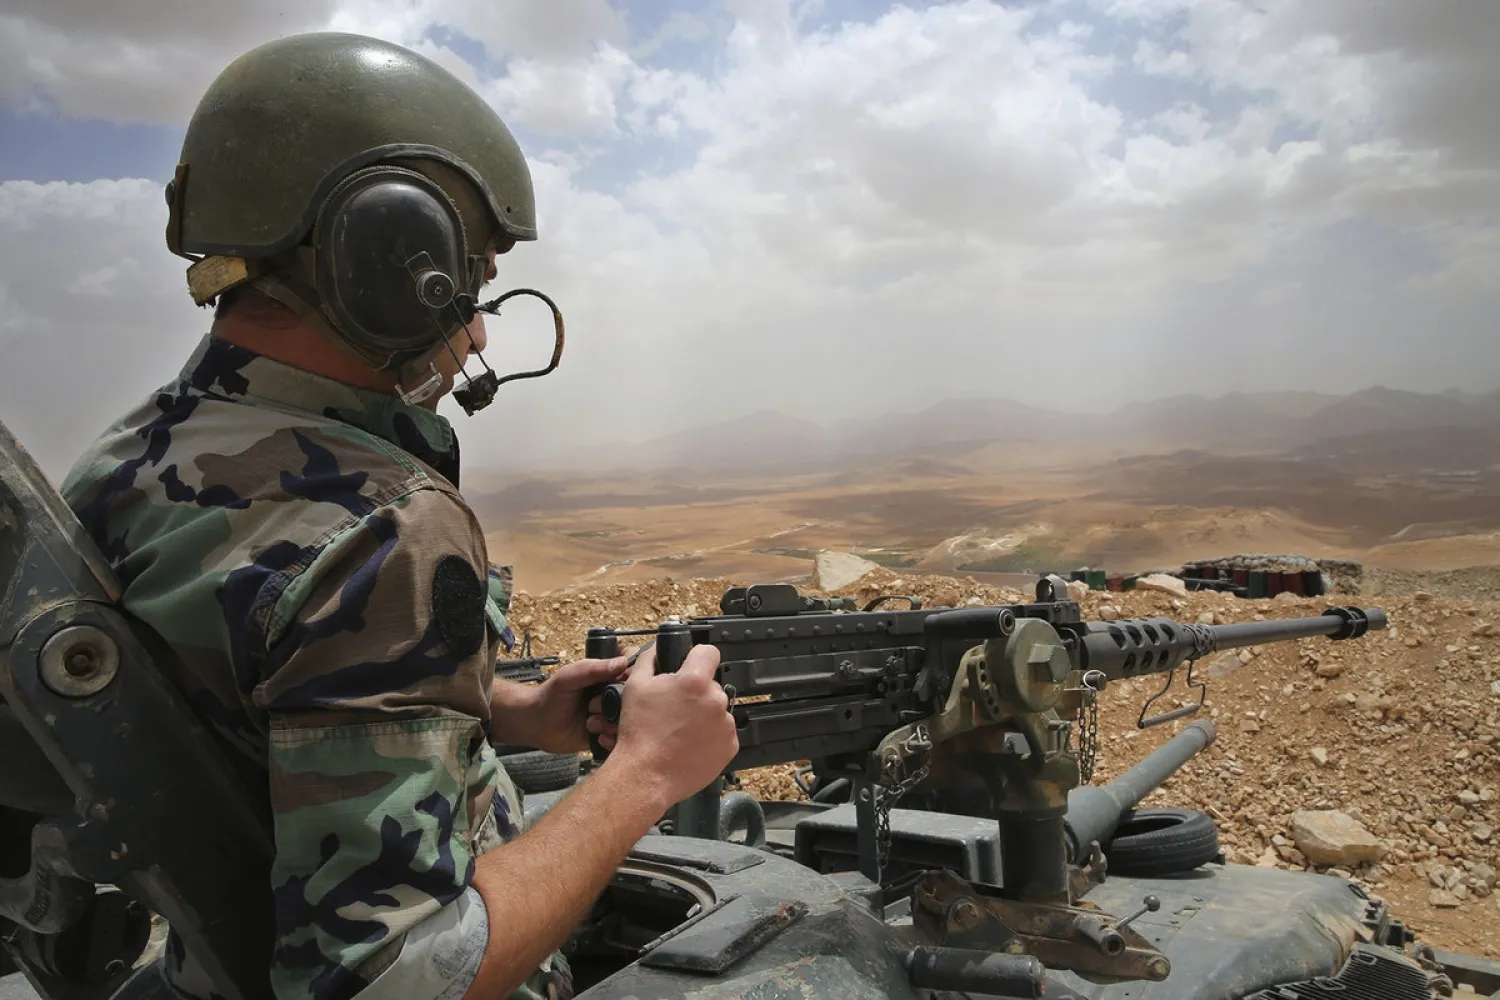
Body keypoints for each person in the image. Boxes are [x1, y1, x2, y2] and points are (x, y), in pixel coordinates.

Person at [59, 31, 739, 1000]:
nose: (474, 329)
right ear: (388, 253)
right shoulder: (384, 525)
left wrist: (503, 711)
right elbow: (392, 980)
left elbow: (240, 708)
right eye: (472, 284)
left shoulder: (135, 454)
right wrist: (644, 771)